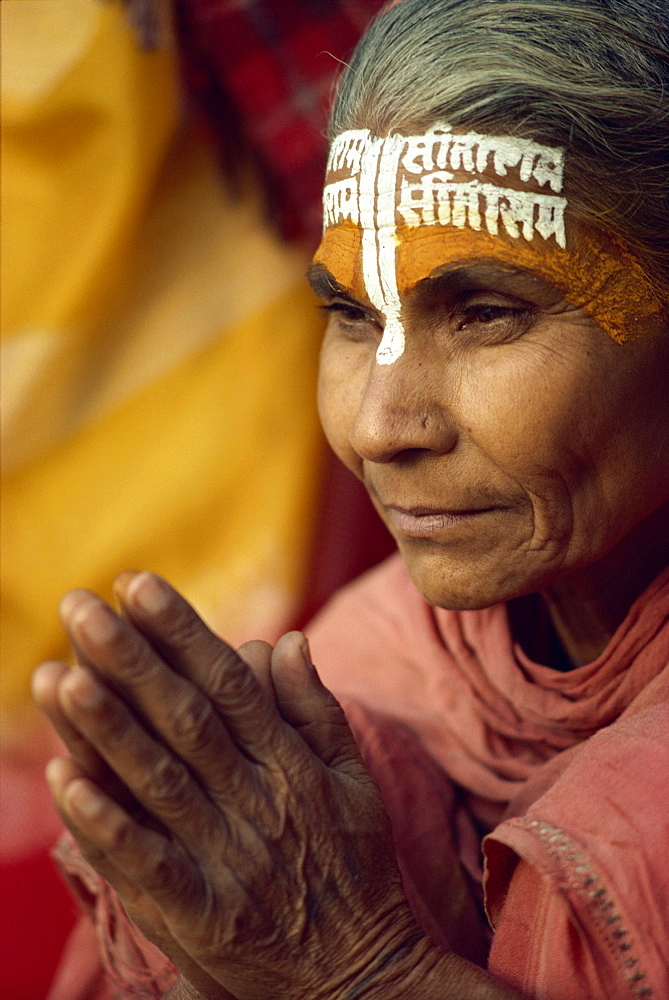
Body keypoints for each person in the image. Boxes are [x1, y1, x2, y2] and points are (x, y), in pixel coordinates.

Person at [32, 0, 669, 998]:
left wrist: (358, 970)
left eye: (486, 311)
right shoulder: (366, 670)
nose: (378, 426)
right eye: (349, 312)